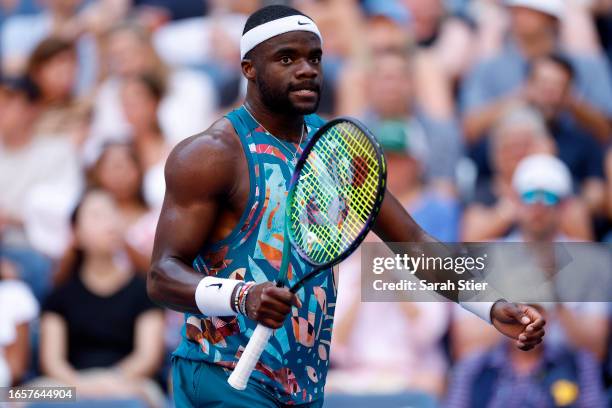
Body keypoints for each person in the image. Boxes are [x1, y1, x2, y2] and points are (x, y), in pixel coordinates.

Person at [148, 5, 546, 407]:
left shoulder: (339, 151)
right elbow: (162, 276)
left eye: (314, 58)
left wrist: (490, 305)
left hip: (302, 387)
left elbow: (413, 241)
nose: (307, 70)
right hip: (220, 376)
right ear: (249, 69)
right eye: (287, 58)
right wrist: (242, 296)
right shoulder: (210, 154)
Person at [38, 189, 166, 406]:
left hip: (128, 381)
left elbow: (147, 356)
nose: (109, 223)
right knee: (15, 396)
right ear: (75, 234)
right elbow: (52, 361)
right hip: (69, 383)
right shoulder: (59, 295)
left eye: (112, 213)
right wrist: (80, 385)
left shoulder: (144, 290)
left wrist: (111, 380)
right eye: (97, 215)